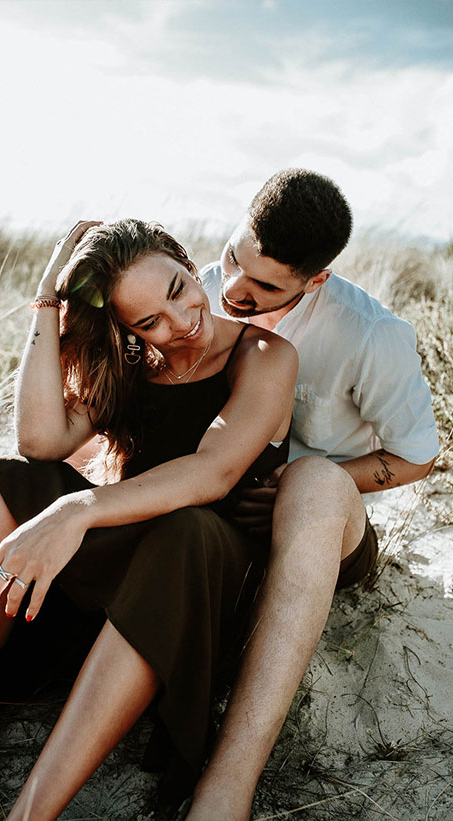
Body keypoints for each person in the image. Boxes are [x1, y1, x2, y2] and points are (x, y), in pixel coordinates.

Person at [0, 218, 300, 820]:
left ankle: (30, 815)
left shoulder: (264, 356)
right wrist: (48, 302)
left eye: (179, 290)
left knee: (184, 529)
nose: (179, 325)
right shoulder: (133, 368)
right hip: (127, 584)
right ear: (125, 327)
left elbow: (214, 475)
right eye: (147, 321)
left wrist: (78, 509)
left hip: (204, 585)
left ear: (186, 261)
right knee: (12, 483)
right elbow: (41, 440)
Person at [186, 169, 440, 820]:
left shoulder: (371, 335)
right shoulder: (199, 293)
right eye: (233, 259)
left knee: (314, 482)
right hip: (213, 512)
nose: (236, 289)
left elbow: (418, 456)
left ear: (314, 280)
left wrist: (289, 484)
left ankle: (226, 791)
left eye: (267, 286)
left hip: (326, 528)